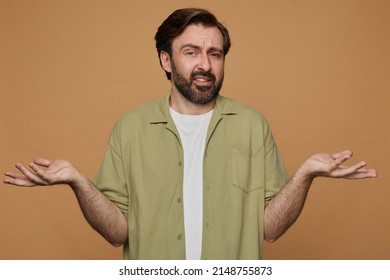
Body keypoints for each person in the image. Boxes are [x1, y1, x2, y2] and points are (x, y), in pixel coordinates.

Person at [3, 8, 377, 260]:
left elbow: (270, 229)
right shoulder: (130, 128)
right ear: (166, 60)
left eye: (215, 54)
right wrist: (76, 181)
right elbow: (118, 232)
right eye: (191, 52)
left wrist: (306, 173)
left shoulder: (252, 125)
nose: (205, 64)